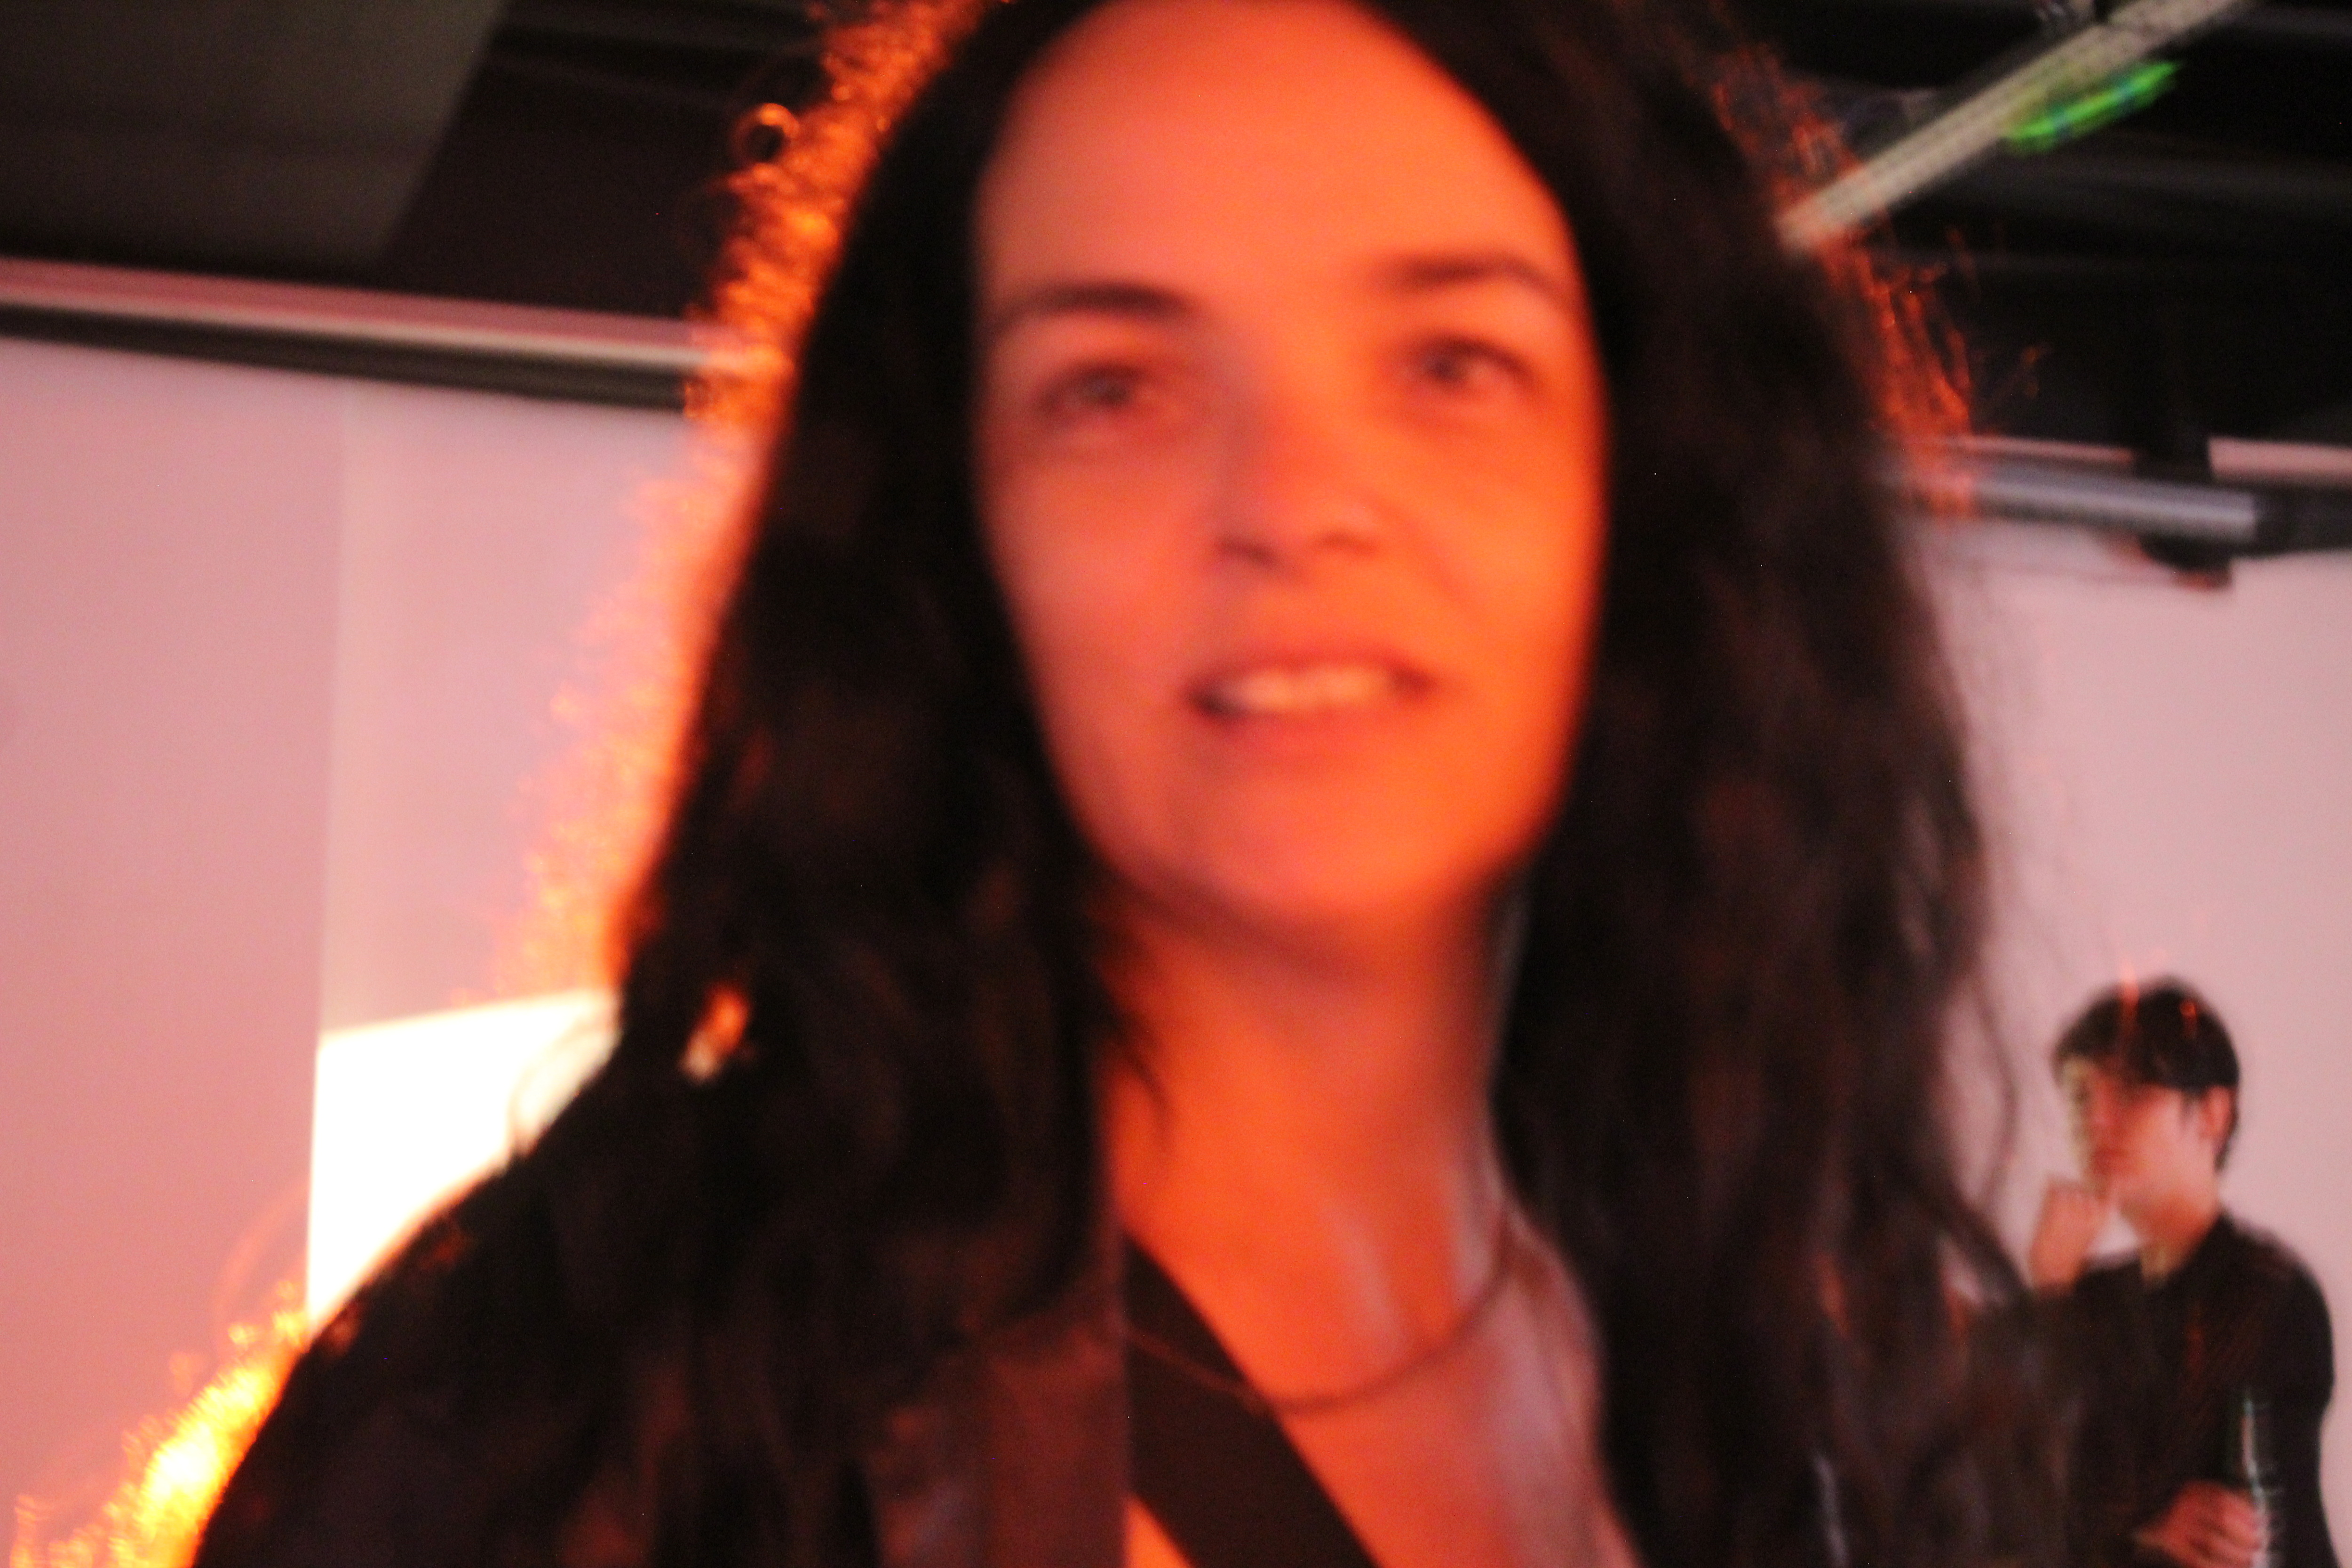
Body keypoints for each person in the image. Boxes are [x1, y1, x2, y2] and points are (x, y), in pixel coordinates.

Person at [192, 1, 2048, 1566]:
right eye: (1114, 388)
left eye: (1447, 363)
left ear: (1652, 488)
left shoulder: (1765, 1365)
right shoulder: (599, 1404)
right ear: (952, 525)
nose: (1289, 502)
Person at [2029, 981, 2336, 1568]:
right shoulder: (2089, 1295)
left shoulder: (2265, 1292)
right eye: (2079, 1097)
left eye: (2130, 1093)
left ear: (2212, 1115)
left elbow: (2161, 1473)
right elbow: (2005, 1499)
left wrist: (2048, 1303)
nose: (2096, 1120)